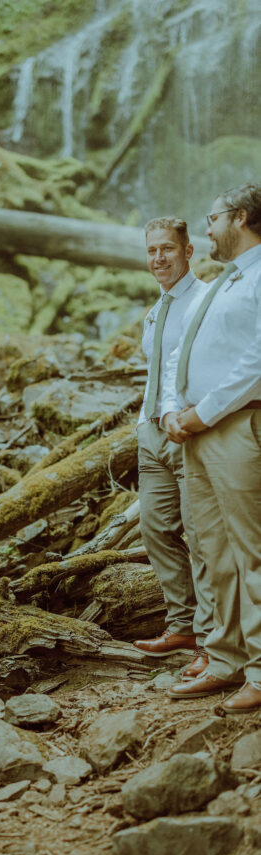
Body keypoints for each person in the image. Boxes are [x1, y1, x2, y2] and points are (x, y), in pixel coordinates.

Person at [161, 183, 261, 711]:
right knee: (214, 552)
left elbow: (255, 361)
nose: (206, 228)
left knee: (252, 552)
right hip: (200, 430)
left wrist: (201, 412)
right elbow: (191, 349)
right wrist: (175, 409)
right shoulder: (225, 280)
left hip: (239, 426)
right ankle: (226, 659)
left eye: (212, 217)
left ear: (240, 217)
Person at [131, 217, 214, 679]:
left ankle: (209, 639)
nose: (158, 258)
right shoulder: (156, 309)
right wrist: (145, 423)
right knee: (155, 528)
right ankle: (180, 624)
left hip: (188, 430)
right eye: (151, 251)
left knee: (201, 536)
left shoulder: (204, 302)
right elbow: (156, 371)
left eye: (167, 249)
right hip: (151, 432)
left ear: (188, 252)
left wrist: (185, 416)